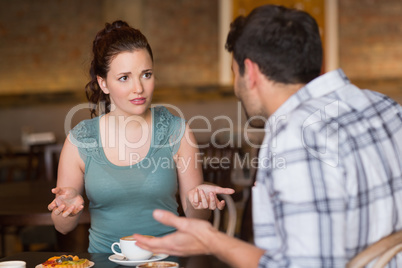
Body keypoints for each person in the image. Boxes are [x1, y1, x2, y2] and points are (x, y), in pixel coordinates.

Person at [134, 4, 402, 267]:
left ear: (249, 72)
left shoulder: (297, 138)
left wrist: (212, 241)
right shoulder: (386, 106)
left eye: (234, 73)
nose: (237, 88)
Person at [47, 20, 234, 253]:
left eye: (146, 74)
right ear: (103, 83)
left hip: (166, 261)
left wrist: (198, 202)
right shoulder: (80, 140)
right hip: (107, 262)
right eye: (124, 78)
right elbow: (63, 227)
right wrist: (67, 209)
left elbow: (196, 218)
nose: (139, 88)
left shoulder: (177, 131)